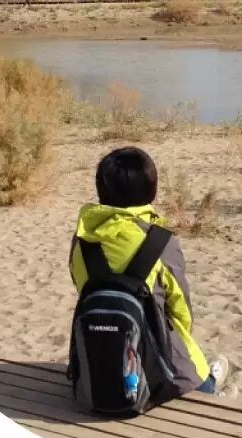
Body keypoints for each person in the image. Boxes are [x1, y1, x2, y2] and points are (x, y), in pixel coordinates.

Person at [68, 146, 229, 399]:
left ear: (101, 190)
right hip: (156, 371)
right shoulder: (160, 242)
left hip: (97, 362)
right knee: (193, 371)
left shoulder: (82, 241)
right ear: (152, 190)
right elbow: (182, 312)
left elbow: (82, 286)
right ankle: (212, 383)